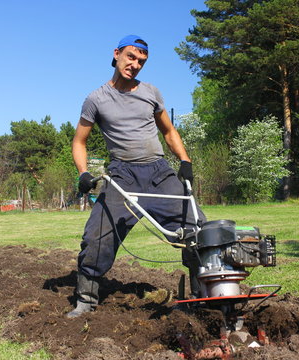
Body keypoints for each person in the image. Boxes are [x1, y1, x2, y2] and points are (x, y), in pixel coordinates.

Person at [67, 35, 206, 318]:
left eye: (141, 61)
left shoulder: (151, 92)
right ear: (117, 54)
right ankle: (86, 300)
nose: (135, 64)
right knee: (97, 237)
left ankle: (203, 295)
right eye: (131, 57)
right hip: (122, 177)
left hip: (159, 173)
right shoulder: (96, 99)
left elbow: (168, 131)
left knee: (199, 229)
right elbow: (79, 141)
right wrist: (84, 172)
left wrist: (185, 160)